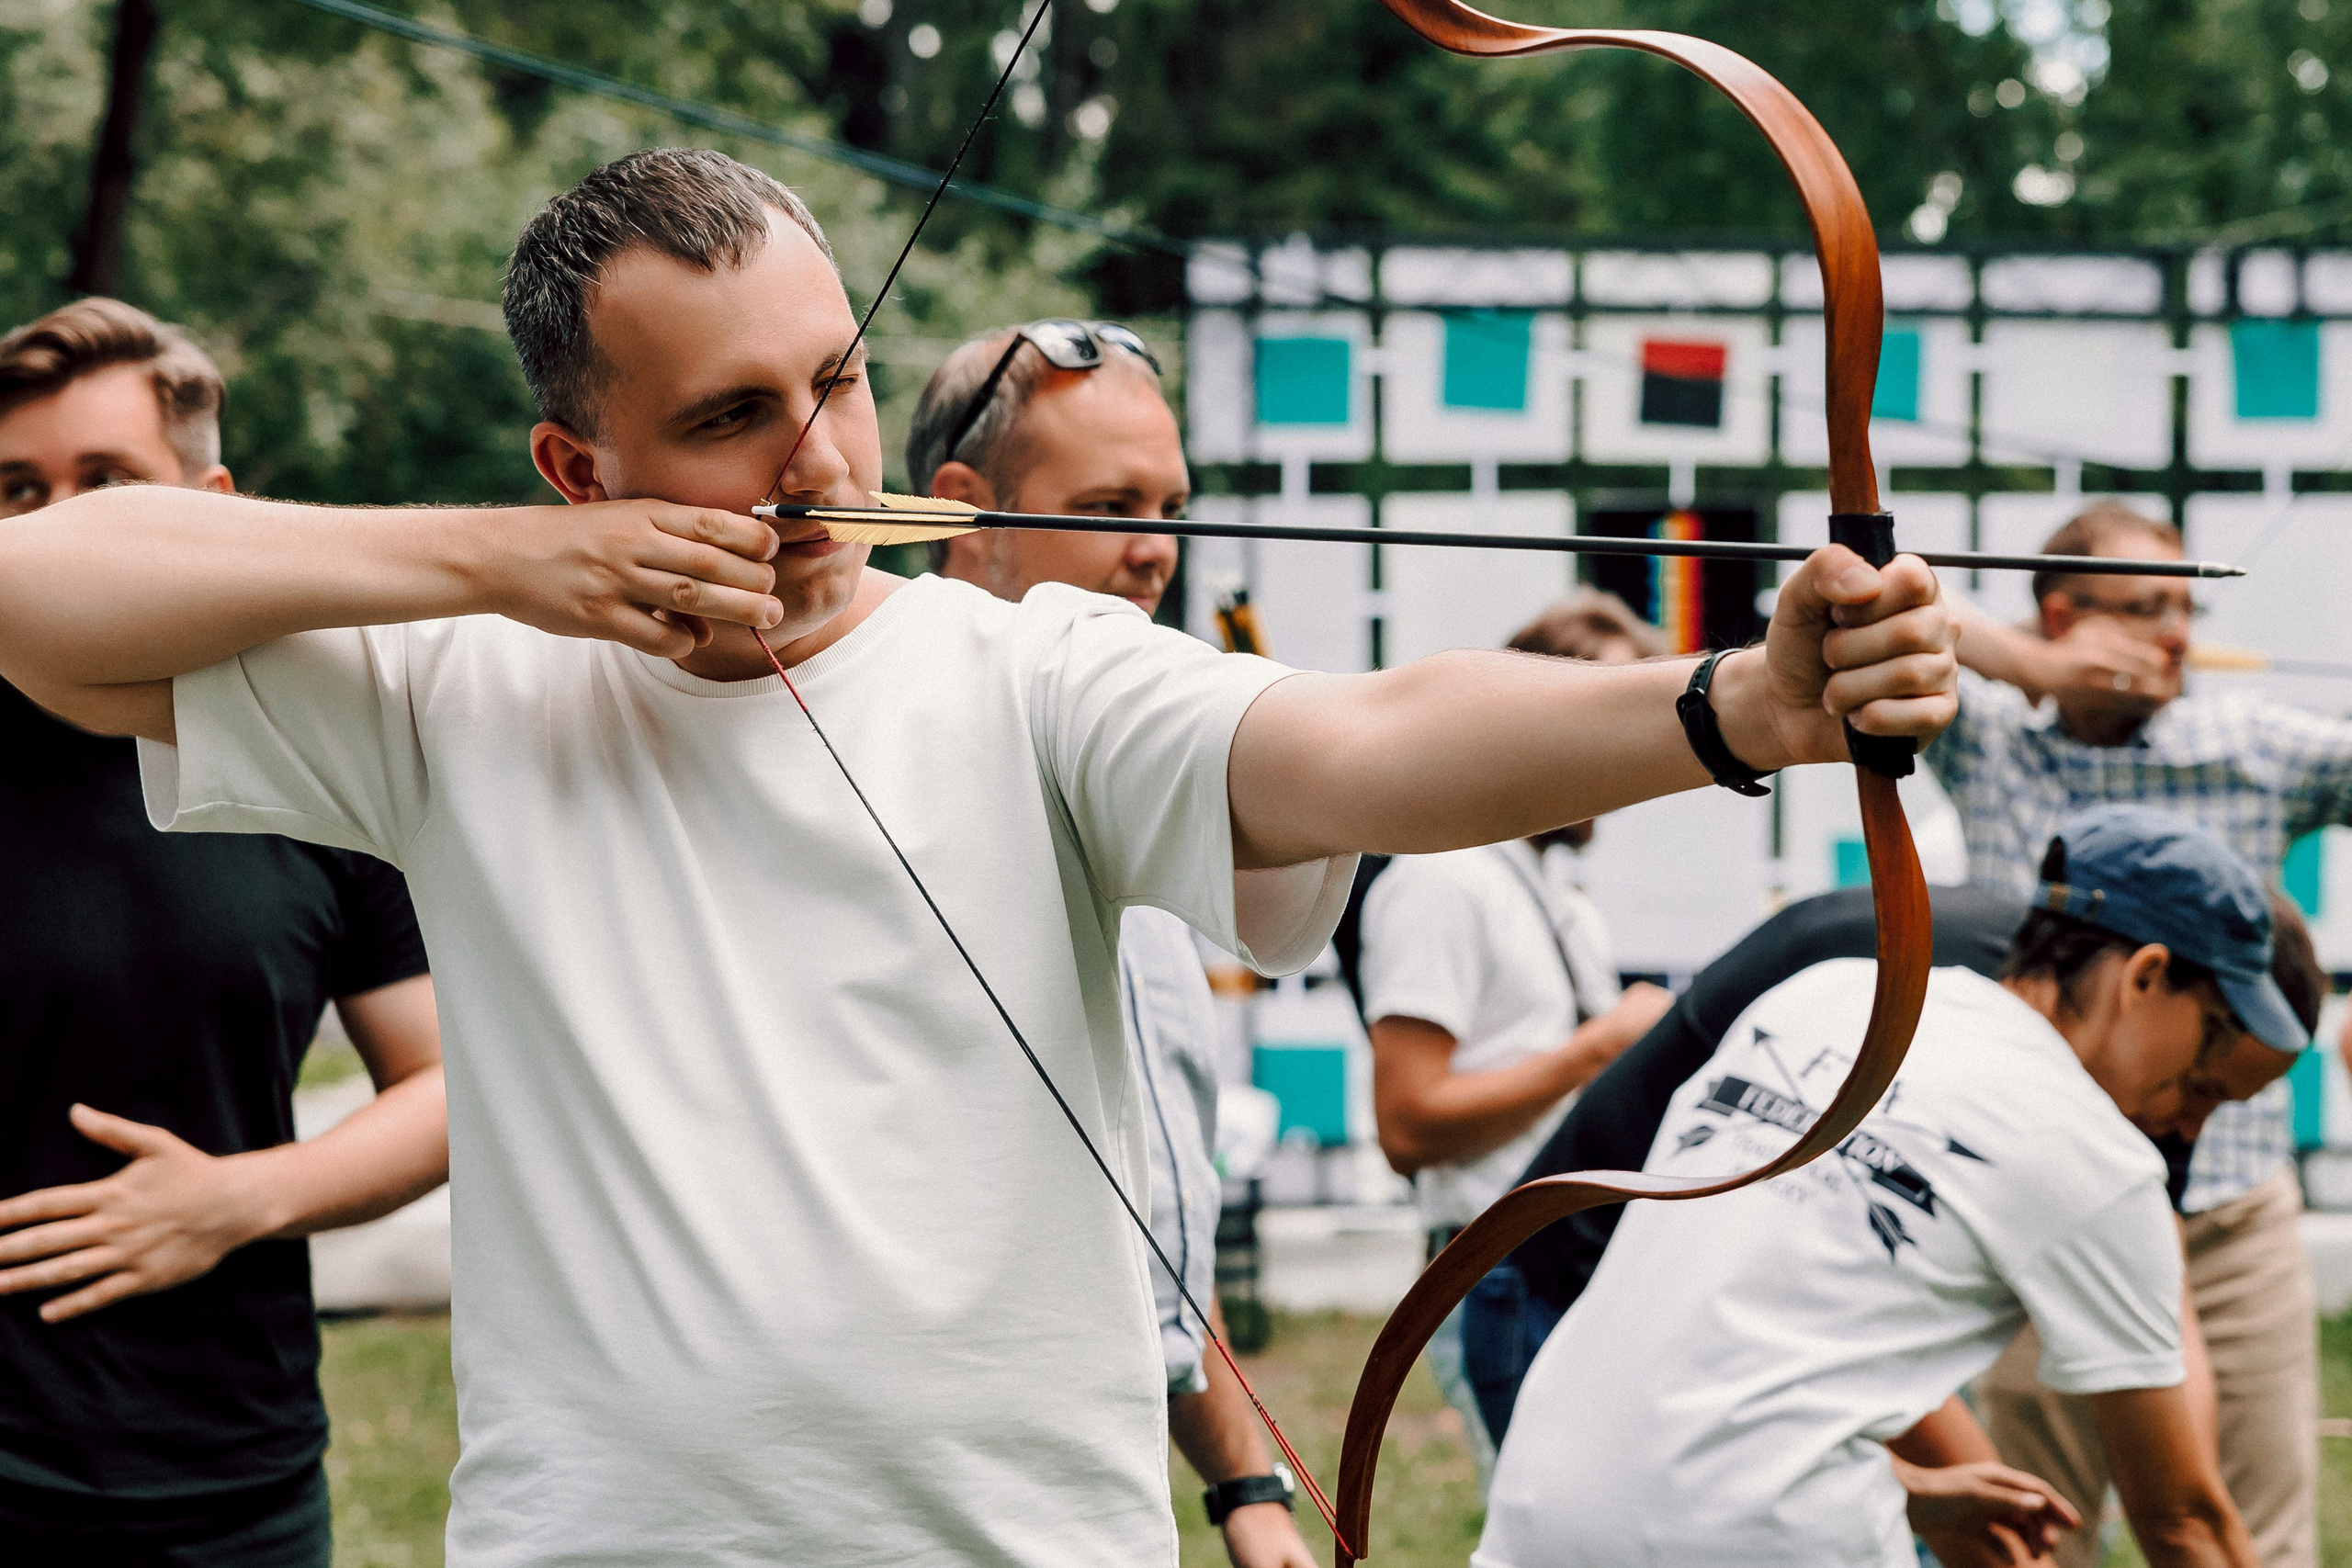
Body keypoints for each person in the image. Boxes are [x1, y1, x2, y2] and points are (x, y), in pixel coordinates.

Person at [0, 149, 1956, 1564]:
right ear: (578, 469)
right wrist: (503, 573)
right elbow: (38, 591)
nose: (818, 458)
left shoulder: (1041, 671)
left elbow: (1356, 740)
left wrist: (1733, 707)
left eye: (834, 379)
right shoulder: (461, 685)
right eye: (731, 416)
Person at [1477, 805, 2309, 1568]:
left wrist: (1910, 1494)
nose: (2190, 1124)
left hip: (1540, 1504)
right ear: (2146, 978)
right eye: (2203, 1071)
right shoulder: (2091, 1150)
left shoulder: (1832, 995)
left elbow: (1740, 1350)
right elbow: (2185, 1523)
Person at [0, 298, 448, 1565]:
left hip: (232, 1486)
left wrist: (236, 1199)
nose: (50, 528)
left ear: (212, 504)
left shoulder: (317, 762)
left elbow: (442, 1082)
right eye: (15, 489)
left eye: (104, 485)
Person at [908, 320, 1312, 1568]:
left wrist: (1248, 1486)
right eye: (1109, 504)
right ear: (964, 515)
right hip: (940, 1479)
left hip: (1096, 1468)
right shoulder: (885, 753)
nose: (1156, 549)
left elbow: (1146, 1227)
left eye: (1172, 505)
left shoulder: (1137, 759)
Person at [1938, 500, 2352, 1568]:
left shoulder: (2248, 744)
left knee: (2251, 1532)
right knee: (2030, 1532)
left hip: (2226, 1211)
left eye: (2183, 607)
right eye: (2140, 607)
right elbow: (1839, 607)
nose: (2173, 635)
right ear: (2060, 611)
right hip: (2039, 1205)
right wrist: (2031, 667)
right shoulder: (1988, 739)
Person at [1354, 589, 1679, 1482]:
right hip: (1499, 1272)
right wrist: (1601, 1046)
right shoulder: (1444, 881)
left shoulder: (1553, 891)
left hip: (1569, 1262)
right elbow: (1408, 1126)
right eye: (1613, 714)